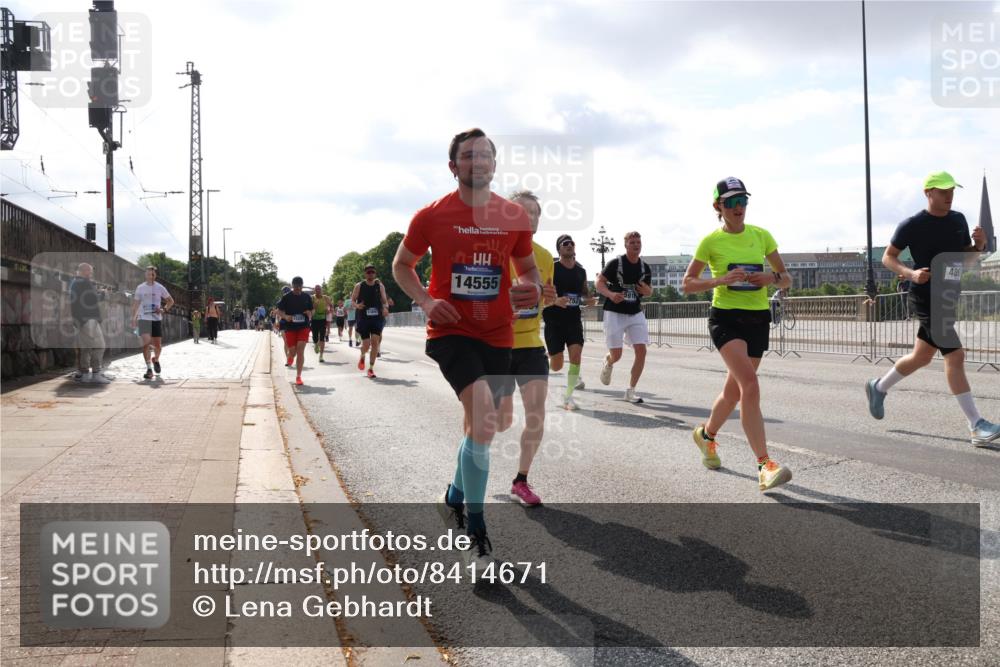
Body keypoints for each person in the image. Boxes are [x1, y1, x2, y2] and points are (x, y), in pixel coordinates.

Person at [392, 128, 541, 570]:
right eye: (468, 155)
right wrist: (426, 302)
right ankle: (476, 536)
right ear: (453, 166)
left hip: (498, 333)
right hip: (451, 331)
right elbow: (402, 265)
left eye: (485, 155)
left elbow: (527, 270)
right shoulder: (431, 216)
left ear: (494, 165)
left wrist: (531, 288)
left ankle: (454, 497)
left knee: (486, 426)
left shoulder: (513, 216)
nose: (478, 161)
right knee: (482, 415)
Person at [866, 171, 999, 447]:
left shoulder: (958, 220)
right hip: (925, 297)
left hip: (949, 296)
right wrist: (910, 273)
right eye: (943, 191)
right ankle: (976, 425)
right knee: (955, 355)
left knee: (922, 356)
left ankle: (878, 387)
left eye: (952, 191)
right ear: (928, 193)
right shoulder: (912, 224)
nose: (949, 196)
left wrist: (979, 245)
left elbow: (966, 261)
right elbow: (888, 257)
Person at [682, 177, 793, 492]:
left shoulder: (762, 236)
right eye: (730, 202)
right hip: (726, 319)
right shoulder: (710, 242)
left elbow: (786, 278)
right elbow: (687, 284)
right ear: (718, 206)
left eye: (742, 200)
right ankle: (764, 465)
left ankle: (706, 435)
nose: (738, 207)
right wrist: (721, 280)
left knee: (732, 392)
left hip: (757, 319)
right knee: (750, 386)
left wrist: (769, 278)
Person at [496, 190, 557, 506]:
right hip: (498, 345)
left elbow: (545, 298)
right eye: (522, 212)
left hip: (531, 344)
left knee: (536, 414)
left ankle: (521, 480)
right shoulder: (494, 251)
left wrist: (549, 298)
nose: (529, 217)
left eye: (534, 213)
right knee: (501, 421)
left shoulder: (545, 257)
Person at [595, 231, 653, 403]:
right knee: (617, 355)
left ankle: (631, 391)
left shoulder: (645, 267)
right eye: (632, 242)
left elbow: (649, 291)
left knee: (641, 351)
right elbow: (599, 283)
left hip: (635, 312)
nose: (636, 245)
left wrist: (648, 291)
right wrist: (611, 295)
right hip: (614, 312)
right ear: (626, 245)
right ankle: (609, 361)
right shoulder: (615, 263)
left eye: (638, 242)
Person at [543, 234, 595, 410]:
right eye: (565, 243)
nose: (569, 245)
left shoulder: (581, 271)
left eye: (571, 243)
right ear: (559, 249)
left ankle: (568, 397)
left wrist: (589, 299)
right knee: (556, 366)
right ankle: (545, 358)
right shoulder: (552, 268)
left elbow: (584, 293)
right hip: (554, 321)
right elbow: (543, 292)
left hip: (573, 320)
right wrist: (555, 300)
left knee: (576, 356)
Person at [131, 266, 174, 380]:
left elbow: (171, 301)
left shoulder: (160, 287)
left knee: (158, 346)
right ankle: (149, 369)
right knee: (146, 343)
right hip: (143, 318)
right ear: (145, 275)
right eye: (149, 274)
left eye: (153, 274)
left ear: (155, 275)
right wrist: (133, 318)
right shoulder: (140, 288)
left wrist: (163, 309)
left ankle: (156, 359)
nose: (151, 276)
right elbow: (135, 304)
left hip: (156, 319)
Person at [68, 262, 109, 383]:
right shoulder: (84, 282)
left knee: (85, 348)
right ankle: (96, 373)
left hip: (80, 320)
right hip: (89, 319)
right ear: (84, 271)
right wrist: (103, 293)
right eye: (90, 271)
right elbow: (93, 299)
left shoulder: (75, 283)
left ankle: (84, 374)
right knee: (99, 346)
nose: (91, 274)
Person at [352, 264, 389, 378]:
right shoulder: (359, 286)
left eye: (372, 272)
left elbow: (385, 301)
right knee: (366, 344)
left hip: (377, 318)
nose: (370, 274)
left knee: (375, 342)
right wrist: (357, 305)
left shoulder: (380, 286)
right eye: (368, 272)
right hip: (363, 318)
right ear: (365, 274)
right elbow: (352, 300)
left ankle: (371, 369)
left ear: (375, 273)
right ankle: (363, 355)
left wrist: (386, 308)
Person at [277, 277, 314, 386]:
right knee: (292, 352)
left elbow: (312, 310)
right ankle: (290, 357)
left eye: (299, 286)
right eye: (296, 286)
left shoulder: (307, 297)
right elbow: (279, 311)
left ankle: (298, 376)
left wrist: (310, 313)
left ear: (302, 286)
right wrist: (285, 316)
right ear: (292, 286)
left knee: (300, 351)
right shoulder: (286, 297)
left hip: (304, 326)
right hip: (290, 327)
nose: (298, 288)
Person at [311, 284, 331, 362]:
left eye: (319, 289)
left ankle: (321, 356)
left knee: (322, 337)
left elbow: (330, 306)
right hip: (314, 319)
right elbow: (309, 308)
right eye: (316, 289)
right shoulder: (312, 298)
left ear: (321, 290)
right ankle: (316, 344)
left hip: (322, 319)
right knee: (315, 337)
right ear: (314, 290)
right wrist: (314, 306)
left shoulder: (326, 298)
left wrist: (328, 310)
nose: (318, 291)